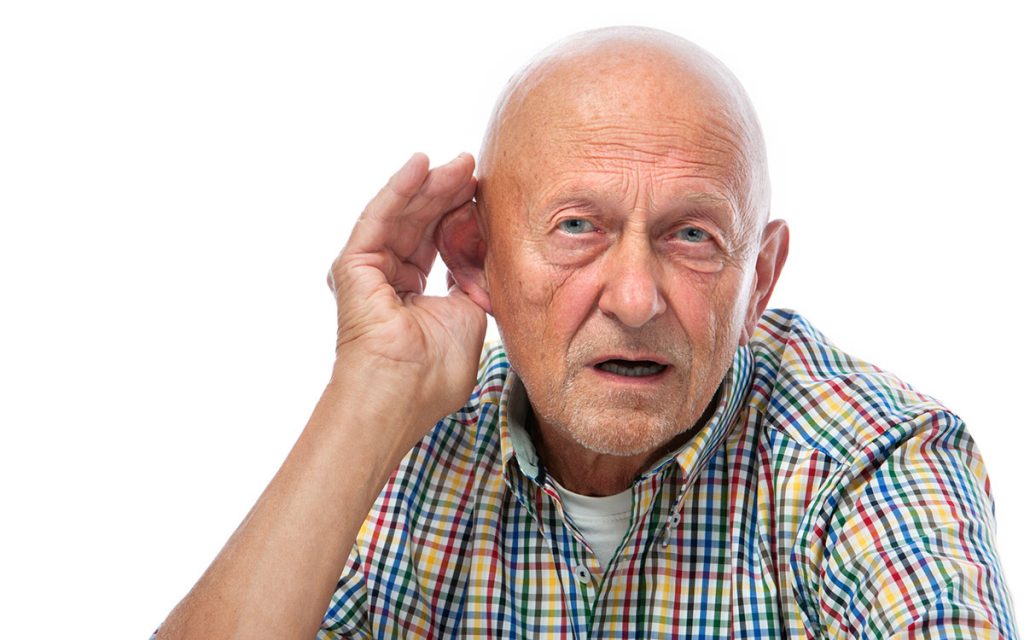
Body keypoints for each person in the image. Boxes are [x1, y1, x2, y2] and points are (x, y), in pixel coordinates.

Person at [155, 27, 1018, 638]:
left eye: (693, 236)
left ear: (759, 277)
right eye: (577, 228)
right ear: (478, 254)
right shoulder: (412, 444)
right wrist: (368, 392)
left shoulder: (874, 457)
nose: (636, 298)